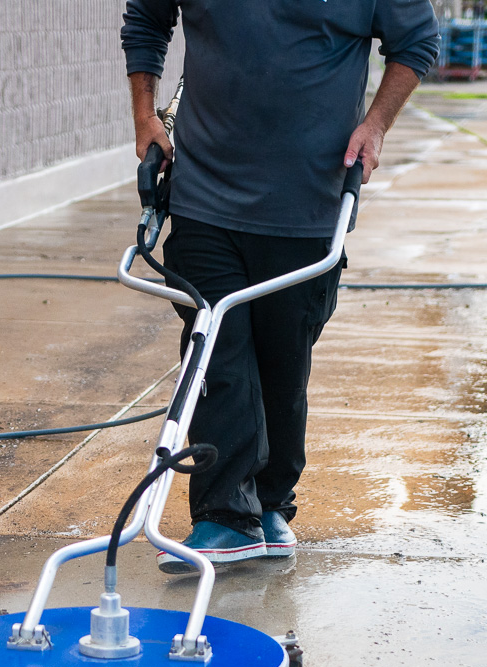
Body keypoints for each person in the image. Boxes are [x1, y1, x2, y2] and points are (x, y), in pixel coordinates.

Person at [121, 0, 439, 573]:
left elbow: (415, 43)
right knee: (217, 356)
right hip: (204, 194)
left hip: (307, 203)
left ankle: (270, 506)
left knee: (282, 363)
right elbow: (147, 18)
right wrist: (146, 115)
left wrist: (376, 125)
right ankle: (224, 516)